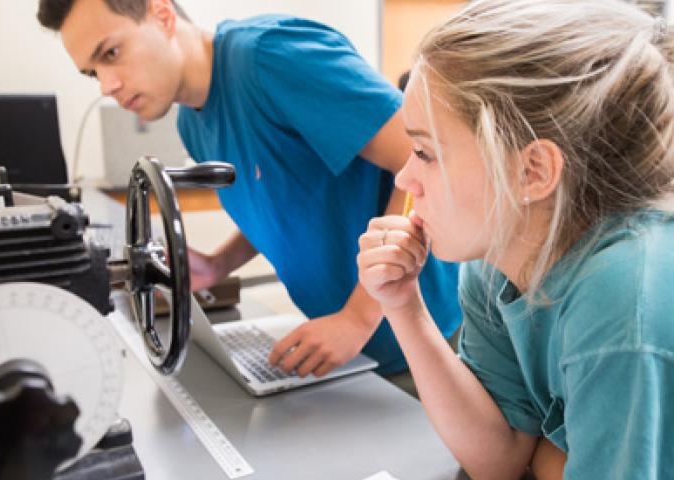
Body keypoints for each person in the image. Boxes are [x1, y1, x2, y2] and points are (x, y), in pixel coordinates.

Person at [36, 0, 461, 378]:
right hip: (350, 354)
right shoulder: (190, 121)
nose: (107, 84)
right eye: (94, 72)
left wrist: (357, 316)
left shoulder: (272, 56)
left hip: (429, 337)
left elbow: (422, 162)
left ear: (162, 14)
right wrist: (220, 263)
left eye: (111, 53)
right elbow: (279, 199)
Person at [356, 0, 674, 478]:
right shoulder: (496, 259)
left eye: (424, 151)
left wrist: (548, 457)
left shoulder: (622, 297)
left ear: (532, 171)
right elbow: (498, 459)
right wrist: (403, 306)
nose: (403, 178)